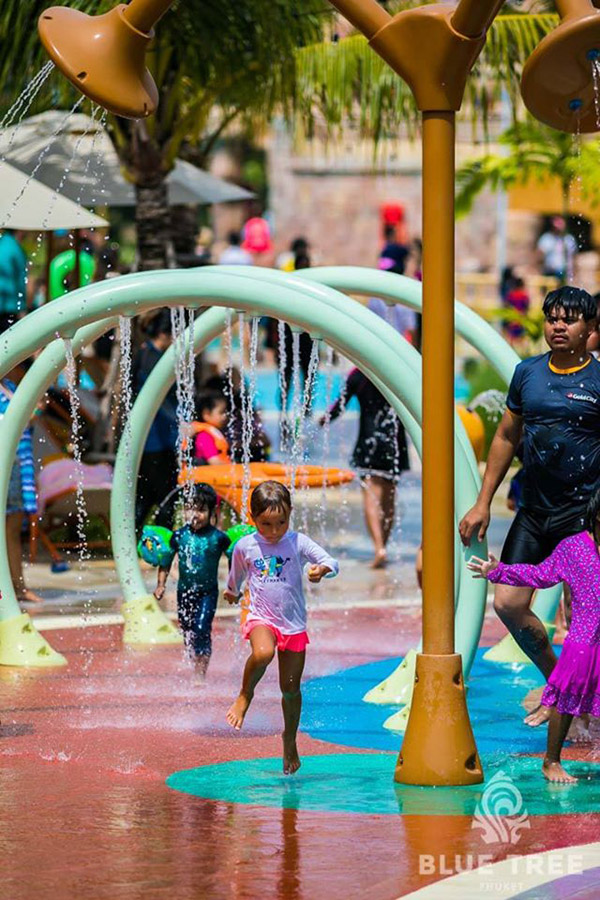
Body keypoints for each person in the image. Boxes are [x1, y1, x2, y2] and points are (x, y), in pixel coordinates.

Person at [459, 286, 600, 727]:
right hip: (535, 512)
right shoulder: (528, 374)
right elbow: (506, 436)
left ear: (590, 329)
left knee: (583, 619)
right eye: (552, 318)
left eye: (569, 319)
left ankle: (580, 701)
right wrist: (483, 502)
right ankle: (559, 685)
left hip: (584, 519)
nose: (558, 326)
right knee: (507, 603)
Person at [468, 485, 600, 783]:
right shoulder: (574, 548)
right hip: (583, 641)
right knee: (566, 699)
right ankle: (551, 761)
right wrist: (497, 571)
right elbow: (539, 574)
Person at [224, 481, 338, 773]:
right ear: (253, 518)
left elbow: (331, 561)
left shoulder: (297, 542)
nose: (274, 531)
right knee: (263, 653)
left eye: (281, 523)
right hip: (260, 617)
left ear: (290, 514)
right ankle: (245, 694)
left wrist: (322, 570)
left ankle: (290, 738)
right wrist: (232, 592)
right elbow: (236, 575)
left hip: (293, 624)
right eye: (266, 524)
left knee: (290, 689)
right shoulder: (246, 546)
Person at [323, 367, 409, 568]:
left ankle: (378, 548)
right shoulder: (396, 372)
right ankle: (384, 545)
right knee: (389, 497)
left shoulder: (359, 374)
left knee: (371, 496)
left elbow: (340, 405)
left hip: (369, 441)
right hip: (394, 442)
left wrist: (323, 419)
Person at [154, 484, 230, 679]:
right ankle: (194, 659)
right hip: (185, 591)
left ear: (211, 512)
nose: (195, 515)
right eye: (190, 509)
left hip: (208, 592)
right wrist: (161, 585)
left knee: (202, 627)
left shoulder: (218, 538)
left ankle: (200, 673)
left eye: (201, 510)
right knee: (187, 629)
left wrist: (234, 584)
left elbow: (234, 558)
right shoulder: (179, 536)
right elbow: (165, 560)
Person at [132, 310, 179, 532]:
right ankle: (165, 542)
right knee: (166, 497)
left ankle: (132, 538)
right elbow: (157, 399)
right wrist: (180, 422)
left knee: (146, 495)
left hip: (148, 439)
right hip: (156, 439)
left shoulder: (144, 355)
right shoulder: (153, 359)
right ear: (164, 333)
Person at [0, 368, 43, 604]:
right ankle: (13, 587)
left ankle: (17, 586)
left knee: (13, 529)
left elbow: (24, 422)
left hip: (19, 463)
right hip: (6, 465)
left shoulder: (10, 387)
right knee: (8, 530)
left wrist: (35, 413)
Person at [192, 391, 231, 465]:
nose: (225, 416)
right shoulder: (204, 436)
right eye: (221, 412)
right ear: (206, 414)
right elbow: (214, 462)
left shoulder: (215, 432)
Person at [0, 229, 27, 333]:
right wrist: (22, 308)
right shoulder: (15, 249)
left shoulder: (2, 243)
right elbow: (21, 281)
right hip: (9, 306)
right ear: (20, 230)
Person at [537, 216, 577, 282]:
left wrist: (574, 270)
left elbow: (574, 256)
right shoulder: (547, 238)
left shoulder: (569, 239)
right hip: (550, 272)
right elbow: (540, 255)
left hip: (566, 272)